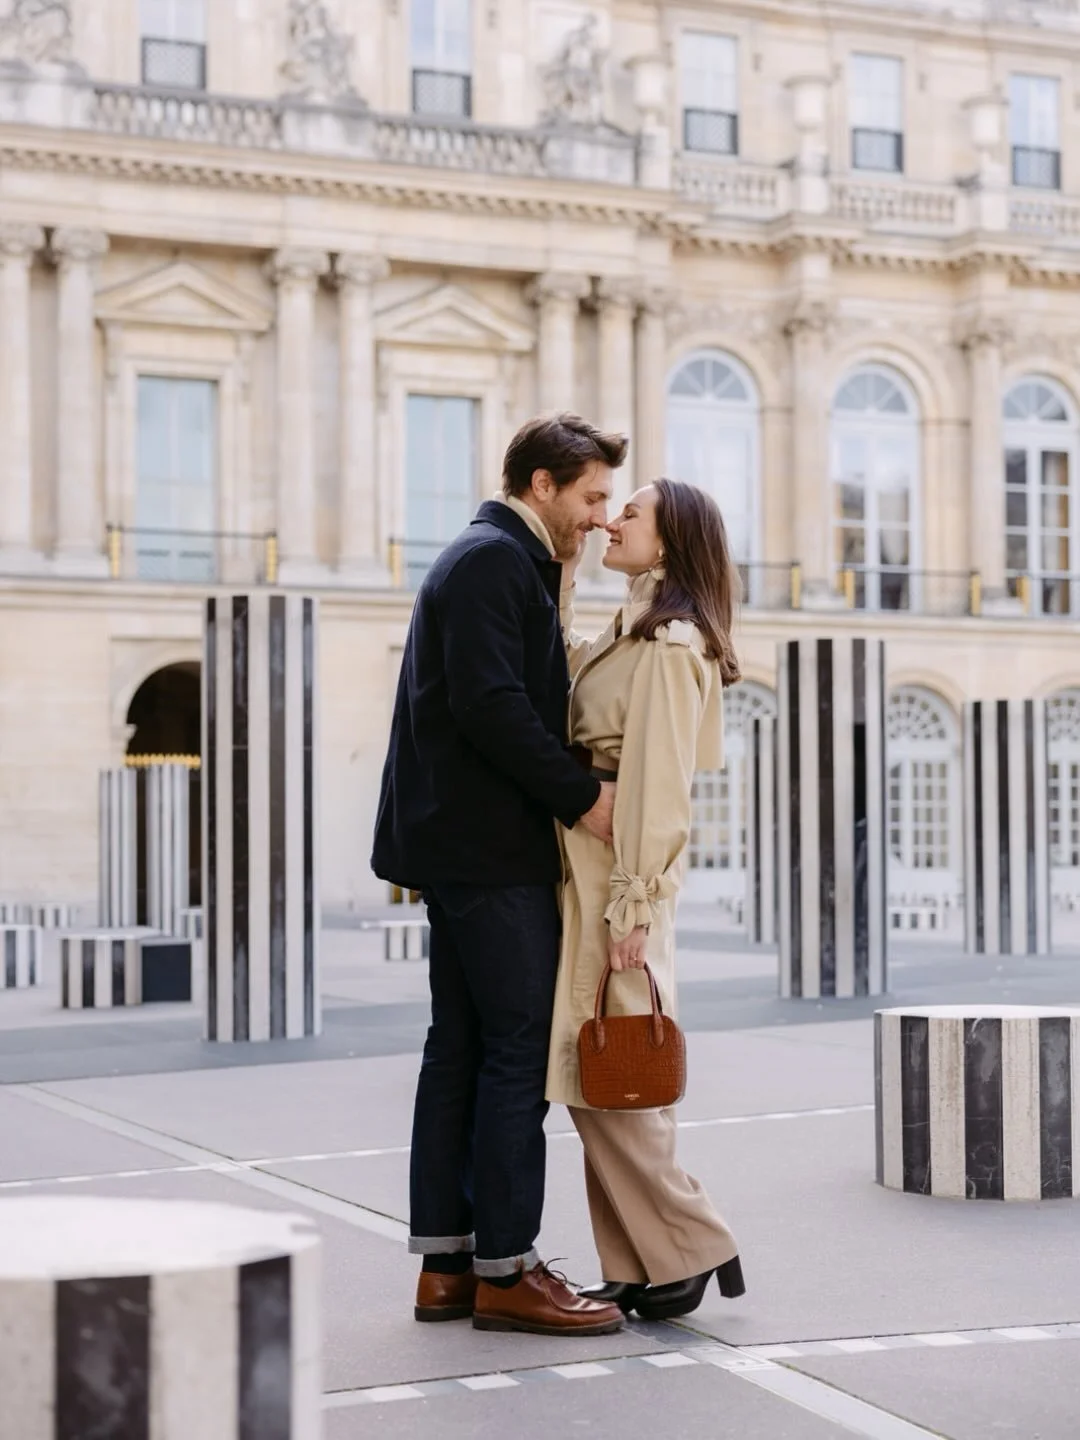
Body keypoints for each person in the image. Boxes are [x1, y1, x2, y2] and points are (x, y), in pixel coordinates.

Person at [371, 413, 629, 1336]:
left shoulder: (501, 558)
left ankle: (448, 1266)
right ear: (542, 485)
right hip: (486, 850)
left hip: (459, 845)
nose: (602, 519)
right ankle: (510, 1271)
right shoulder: (491, 560)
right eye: (591, 497)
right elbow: (490, 704)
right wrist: (580, 796)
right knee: (517, 1052)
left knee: (463, 1048)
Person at [546, 477, 747, 1322]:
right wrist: (560, 565)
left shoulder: (670, 645)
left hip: (616, 874)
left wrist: (633, 906)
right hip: (588, 865)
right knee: (595, 1068)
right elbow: (559, 675)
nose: (612, 520)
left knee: (608, 1067)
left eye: (631, 512)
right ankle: (636, 1262)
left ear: (668, 543)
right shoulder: (629, 630)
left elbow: (661, 787)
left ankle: (697, 1243)